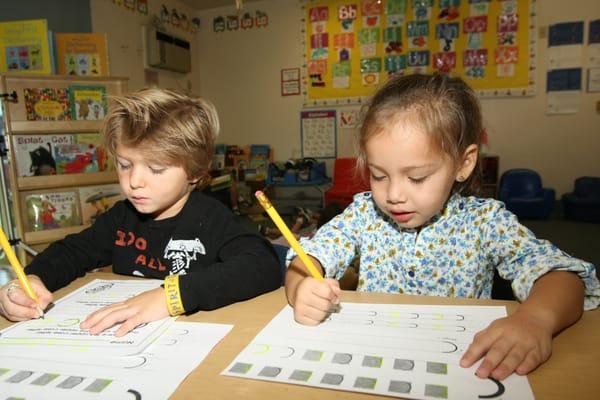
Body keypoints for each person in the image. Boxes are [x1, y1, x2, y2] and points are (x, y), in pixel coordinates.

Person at [285, 74, 599, 381]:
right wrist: (302, 288)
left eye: (417, 177)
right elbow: (305, 259)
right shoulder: (364, 214)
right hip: (373, 365)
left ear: (464, 163)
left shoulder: (484, 222)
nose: (394, 195)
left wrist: (535, 320)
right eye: (379, 175)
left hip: (457, 372)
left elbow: (565, 278)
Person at [0, 88, 281, 336]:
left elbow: (262, 265)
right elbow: (73, 252)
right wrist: (32, 279)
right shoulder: (122, 217)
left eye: (156, 169)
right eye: (125, 164)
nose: (134, 181)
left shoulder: (210, 217)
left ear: (195, 172)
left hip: (191, 337)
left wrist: (170, 298)